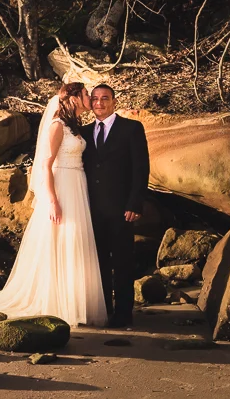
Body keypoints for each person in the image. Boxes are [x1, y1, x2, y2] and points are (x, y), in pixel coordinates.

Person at [0, 82, 107, 327]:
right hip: (63, 186)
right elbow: (45, 165)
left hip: (77, 183)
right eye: (86, 94)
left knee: (75, 241)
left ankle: (75, 301)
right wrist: (52, 200)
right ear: (74, 98)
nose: (90, 97)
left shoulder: (74, 126)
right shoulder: (57, 126)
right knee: (60, 239)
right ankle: (56, 302)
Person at [80, 84, 150, 328]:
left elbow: (141, 169)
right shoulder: (83, 133)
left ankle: (123, 313)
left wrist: (135, 203)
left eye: (105, 98)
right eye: (95, 99)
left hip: (122, 209)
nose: (99, 103)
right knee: (97, 262)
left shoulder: (131, 129)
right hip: (90, 209)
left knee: (122, 262)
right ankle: (103, 310)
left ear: (114, 101)